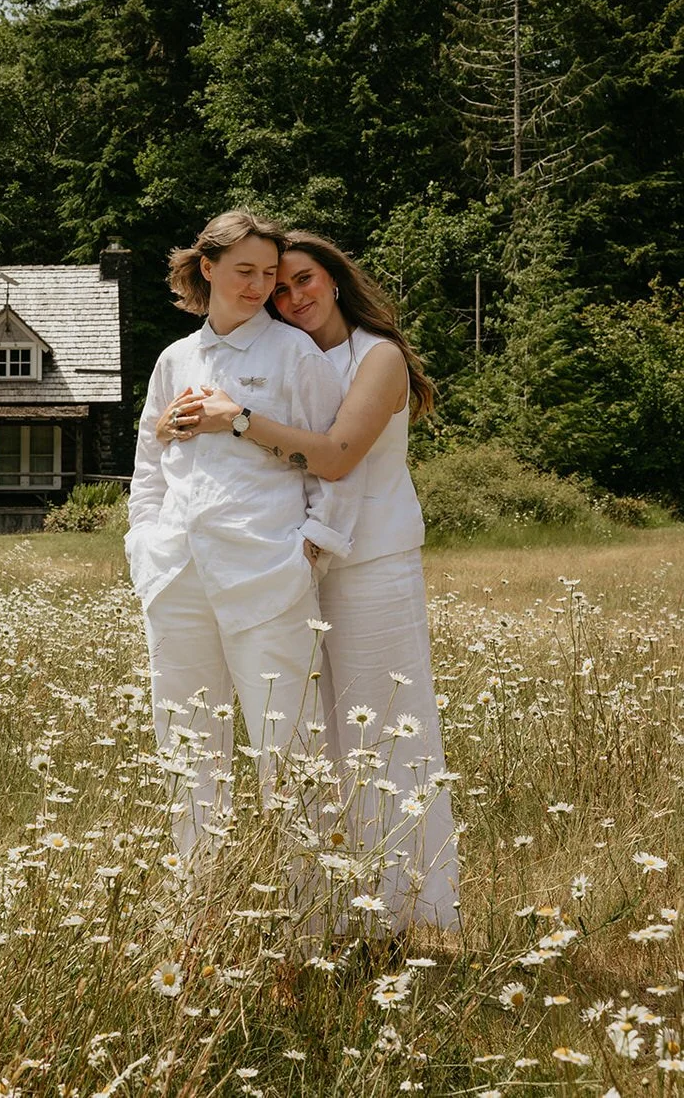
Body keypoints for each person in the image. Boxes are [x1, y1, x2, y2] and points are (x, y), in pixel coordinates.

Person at [155, 230, 458, 932]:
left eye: (303, 280)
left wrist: (239, 419)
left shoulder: (376, 356)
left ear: (336, 280)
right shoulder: (292, 360)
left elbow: (337, 458)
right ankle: (329, 907)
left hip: (373, 564)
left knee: (385, 734)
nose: (290, 296)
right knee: (315, 737)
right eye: (277, 285)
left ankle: (406, 914)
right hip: (304, 565)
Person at [126, 211, 361, 860]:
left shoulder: (293, 353)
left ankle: (317, 927)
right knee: (186, 749)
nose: (260, 286)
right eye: (244, 272)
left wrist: (309, 550)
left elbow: (336, 467)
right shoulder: (175, 360)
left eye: (268, 273)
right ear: (207, 269)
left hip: (268, 576)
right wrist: (143, 549)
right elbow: (150, 466)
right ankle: (196, 913)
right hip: (176, 577)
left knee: (293, 750)